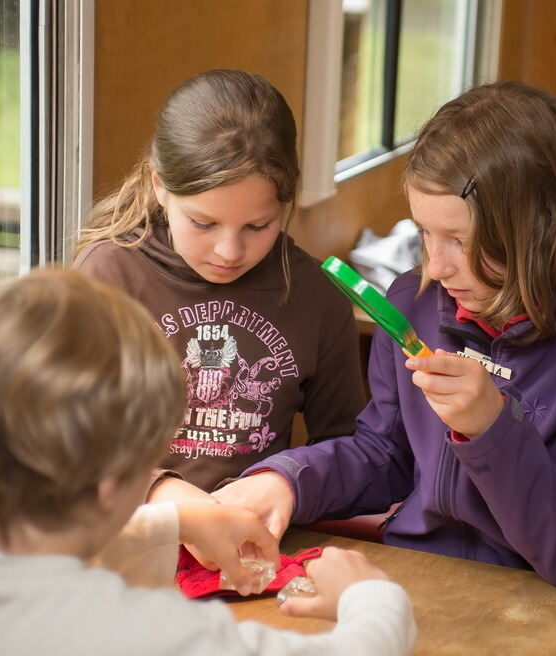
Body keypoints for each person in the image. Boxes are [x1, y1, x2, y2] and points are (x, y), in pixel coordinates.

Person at [214, 80, 556, 587]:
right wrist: (288, 481)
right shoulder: (412, 303)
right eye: (424, 232)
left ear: (541, 229)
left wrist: (491, 430)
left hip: (540, 603)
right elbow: (384, 454)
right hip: (415, 576)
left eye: (460, 240)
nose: (436, 267)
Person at [0, 270, 415, 656]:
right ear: (118, 481)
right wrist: (373, 597)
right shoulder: (138, 632)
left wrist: (179, 519)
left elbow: (25, 562)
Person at [73, 69, 366, 505]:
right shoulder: (107, 277)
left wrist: (285, 481)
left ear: (286, 203)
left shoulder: (315, 297)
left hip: (250, 543)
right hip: (126, 538)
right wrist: (161, 492)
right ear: (159, 186)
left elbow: (352, 450)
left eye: (258, 225)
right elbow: (63, 436)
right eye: (203, 223)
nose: (229, 251)